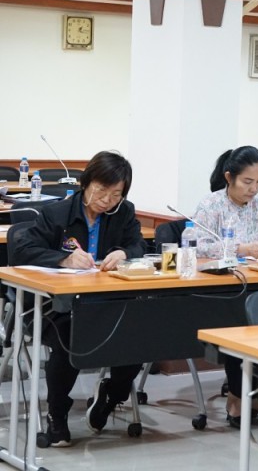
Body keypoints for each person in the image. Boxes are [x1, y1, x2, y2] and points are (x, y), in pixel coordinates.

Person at [13, 151, 147, 447]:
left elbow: (139, 245)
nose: (107, 200)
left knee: (140, 334)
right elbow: (22, 251)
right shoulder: (57, 213)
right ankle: (57, 414)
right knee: (71, 337)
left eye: (116, 194)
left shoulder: (124, 212)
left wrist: (124, 252)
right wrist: (63, 260)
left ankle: (111, 396)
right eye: (101, 190)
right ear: (86, 183)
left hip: (106, 301)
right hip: (57, 305)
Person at [193, 145, 258, 428]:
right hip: (225, 288)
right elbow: (197, 246)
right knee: (241, 323)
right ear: (229, 177)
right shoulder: (211, 206)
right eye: (247, 181)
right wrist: (241, 249)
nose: (254, 189)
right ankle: (238, 398)